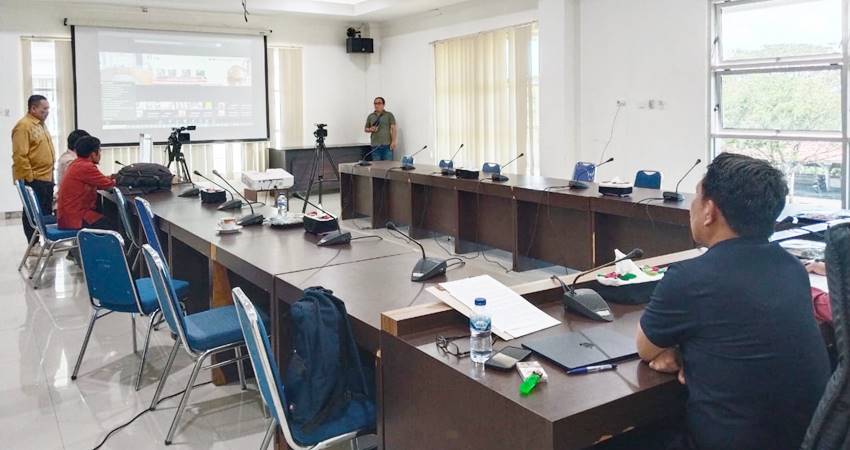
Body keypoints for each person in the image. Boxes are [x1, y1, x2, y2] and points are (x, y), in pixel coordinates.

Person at [634, 153, 830, 450]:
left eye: (696, 197)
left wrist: (683, 351)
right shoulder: (792, 268)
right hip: (802, 440)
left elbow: (646, 348)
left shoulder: (689, 278)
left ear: (709, 211)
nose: (692, 206)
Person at [12, 94, 55, 243]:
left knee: (45, 210)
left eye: (48, 109)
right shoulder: (23, 126)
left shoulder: (40, 124)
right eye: (44, 109)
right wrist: (29, 178)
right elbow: (20, 155)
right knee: (32, 212)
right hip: (35, 178)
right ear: (33, 108)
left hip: (46, 177)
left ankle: (46, 241)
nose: (47, 112)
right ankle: (33, 243)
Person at [57, 136, 116, 230]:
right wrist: (120, 180)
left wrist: (111, 177)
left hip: (68, 215)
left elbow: (99, 180)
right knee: (113, 225)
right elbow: (109, 185)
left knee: (107, 218)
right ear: (93, 154)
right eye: (99, 151)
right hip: (76, 218)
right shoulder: (86, 167)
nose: (100, 154)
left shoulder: (76, 163)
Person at [364, 97, 397, 161]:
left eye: (379, 103)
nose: (377, 105)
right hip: (375, 146)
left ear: (383, 105)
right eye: (375, 103)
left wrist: (393, 141)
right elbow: (366, 129)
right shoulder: (370, 116)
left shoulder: (389, 115)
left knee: (388, 165)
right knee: (376, 166)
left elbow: (393, 128)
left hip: (387, 146)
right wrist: (370, 129)